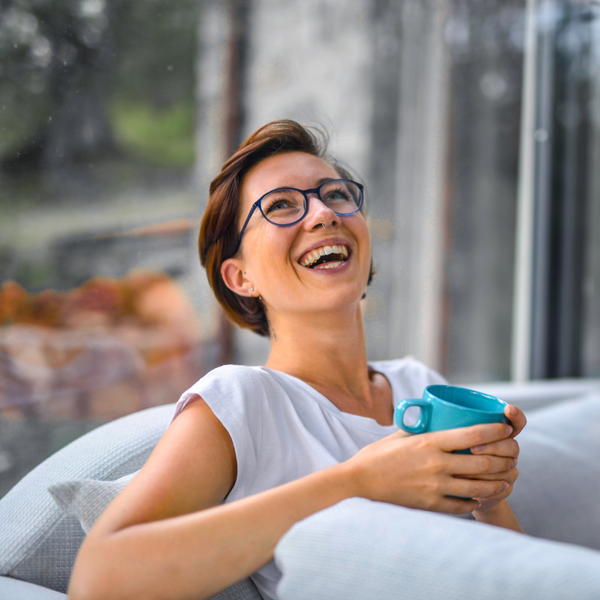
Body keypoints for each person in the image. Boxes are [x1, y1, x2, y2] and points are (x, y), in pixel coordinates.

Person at [69, 120, 526, 600]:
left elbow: (514, 575)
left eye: (336, 195)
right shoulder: (241, 402)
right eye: (281, 206)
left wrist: (490, 501)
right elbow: (99, 580)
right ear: (241, 276)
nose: (324, 214)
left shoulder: (421, 385)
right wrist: (359, 483)